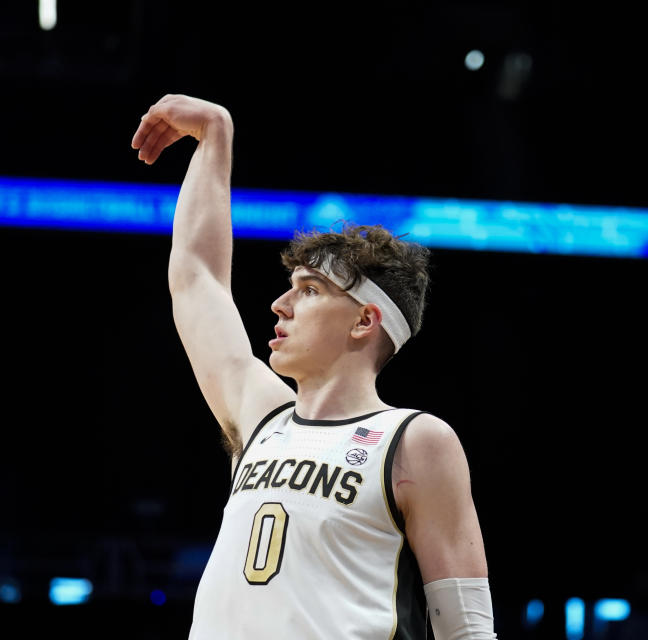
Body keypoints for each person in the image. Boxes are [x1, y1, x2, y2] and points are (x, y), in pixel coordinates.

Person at [131, 94, 496, 640]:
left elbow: (466, 627)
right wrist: (215, 136)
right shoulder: (262, 416)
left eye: (310, 290)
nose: (281, 304)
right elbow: (196, 279)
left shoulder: (415, 439)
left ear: (363, 321)